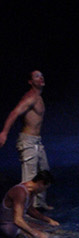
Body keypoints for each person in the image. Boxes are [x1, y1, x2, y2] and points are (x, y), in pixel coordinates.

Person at [0, 70, 51, 212]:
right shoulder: (30, 97)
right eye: (36, 76)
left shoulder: (39, 97)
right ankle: (24, 210)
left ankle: (38, 204)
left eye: (41, 75)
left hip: (37, 141)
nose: (41, 78)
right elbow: (14, 113)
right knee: (30, 178)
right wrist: (4, 133)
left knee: (44, 172)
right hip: (28, 141)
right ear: (30, 82)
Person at [2, 171, 58, 238]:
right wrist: (35, 234)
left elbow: (30, 210)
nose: (43, 191)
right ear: (41, 183)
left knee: (51, 229)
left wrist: (49, 220)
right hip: (8, 226)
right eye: (45, 188)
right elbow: (18, 220)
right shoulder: (20, 192)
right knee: (47, 237)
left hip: (17, 222)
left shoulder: (31, 191)